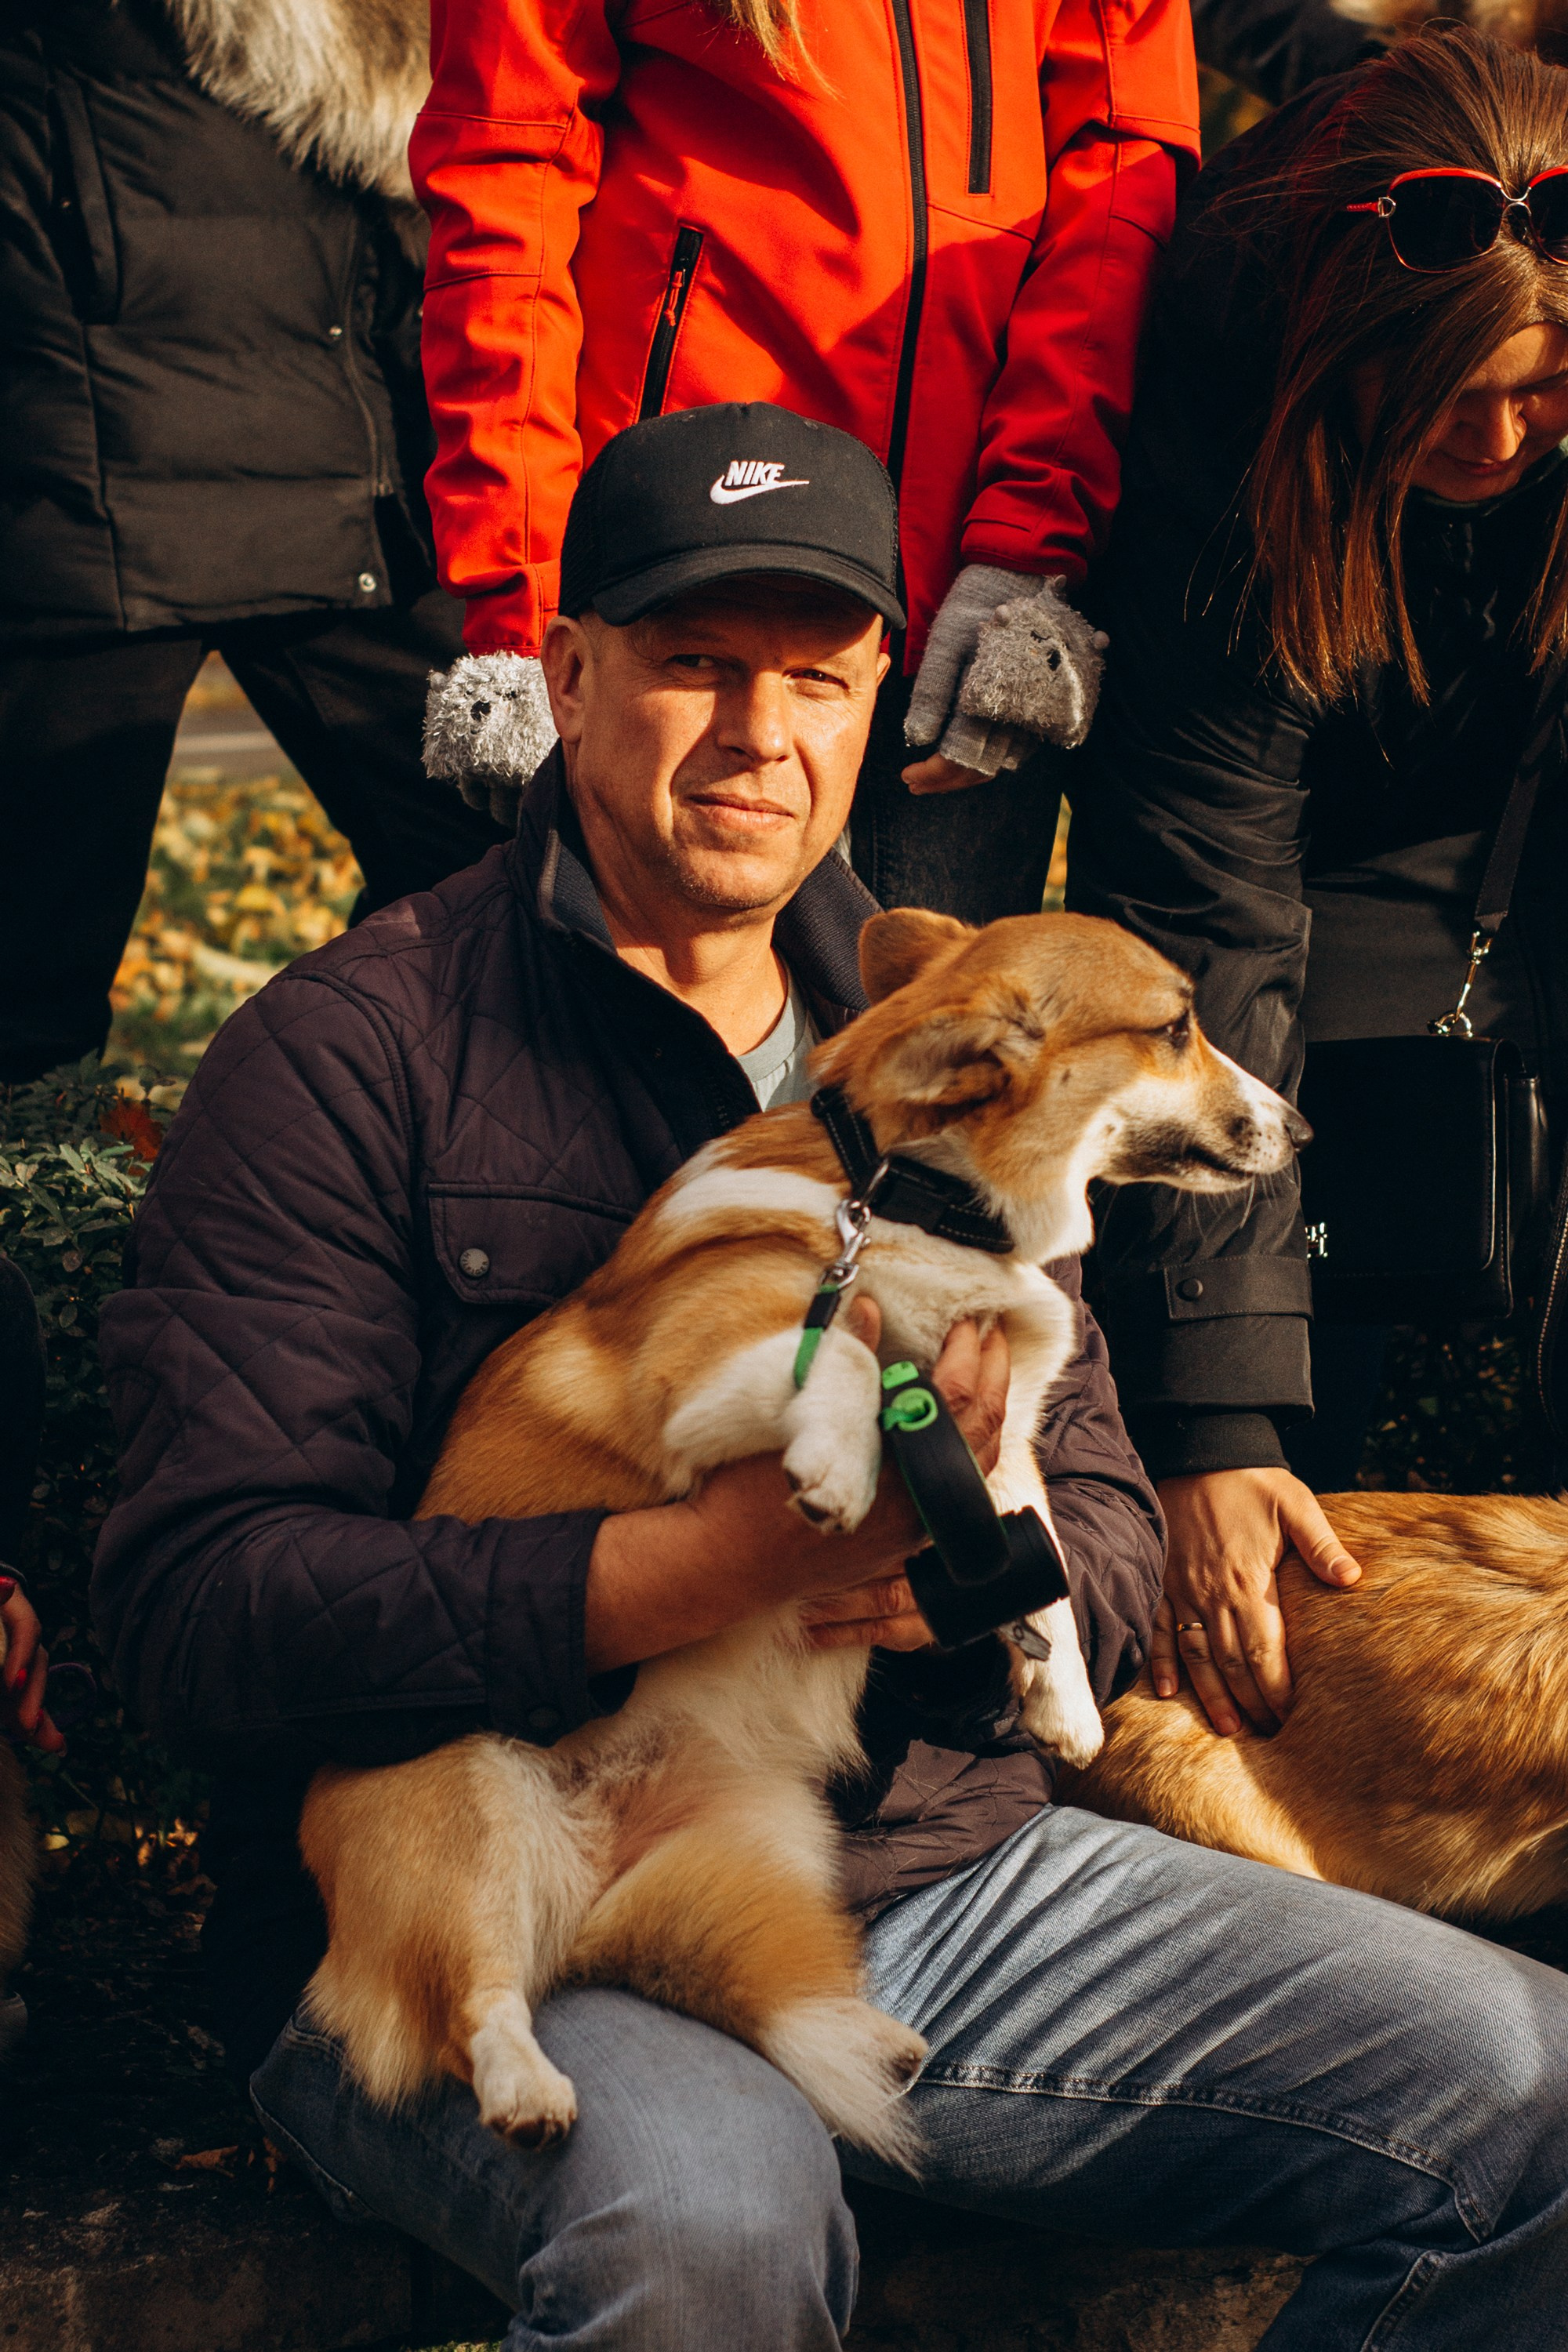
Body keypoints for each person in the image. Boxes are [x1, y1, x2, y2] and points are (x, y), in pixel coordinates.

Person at [94, 405, 1568, 2350]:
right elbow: (196, 1604)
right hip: (521, 1888)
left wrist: (966, 1569)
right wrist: (679, 1570)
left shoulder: (958, 1030)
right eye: (694, 663)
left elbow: (1107, 1534)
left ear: (880, 686)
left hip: (934, 1869)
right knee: (702, 2229)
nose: (755, 732)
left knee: (1529, 2085)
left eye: (814, 672)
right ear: (568, 672)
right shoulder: (353, 1052)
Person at [1068, 27, 1568, 1737]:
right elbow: (1208, 896)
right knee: (1286, 1319)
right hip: (1309, 829)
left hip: (1532, 789)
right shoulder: (1222, 353)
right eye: (1451, 398)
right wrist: (1222, 1430)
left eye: (1549, 393)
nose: (1504, 442)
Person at [410, 0, 1199, 924]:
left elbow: (1115, 184)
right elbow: (508, 184)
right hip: (680, 572)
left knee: (923, 1040)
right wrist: (525, 608)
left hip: (962, 592)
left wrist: (1027, 549)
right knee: (627, 1041)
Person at [0, 0, 506, 1083]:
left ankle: (343, 1123)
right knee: (29, 966)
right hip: (96, 497)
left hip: (342, 489)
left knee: (491, 878)